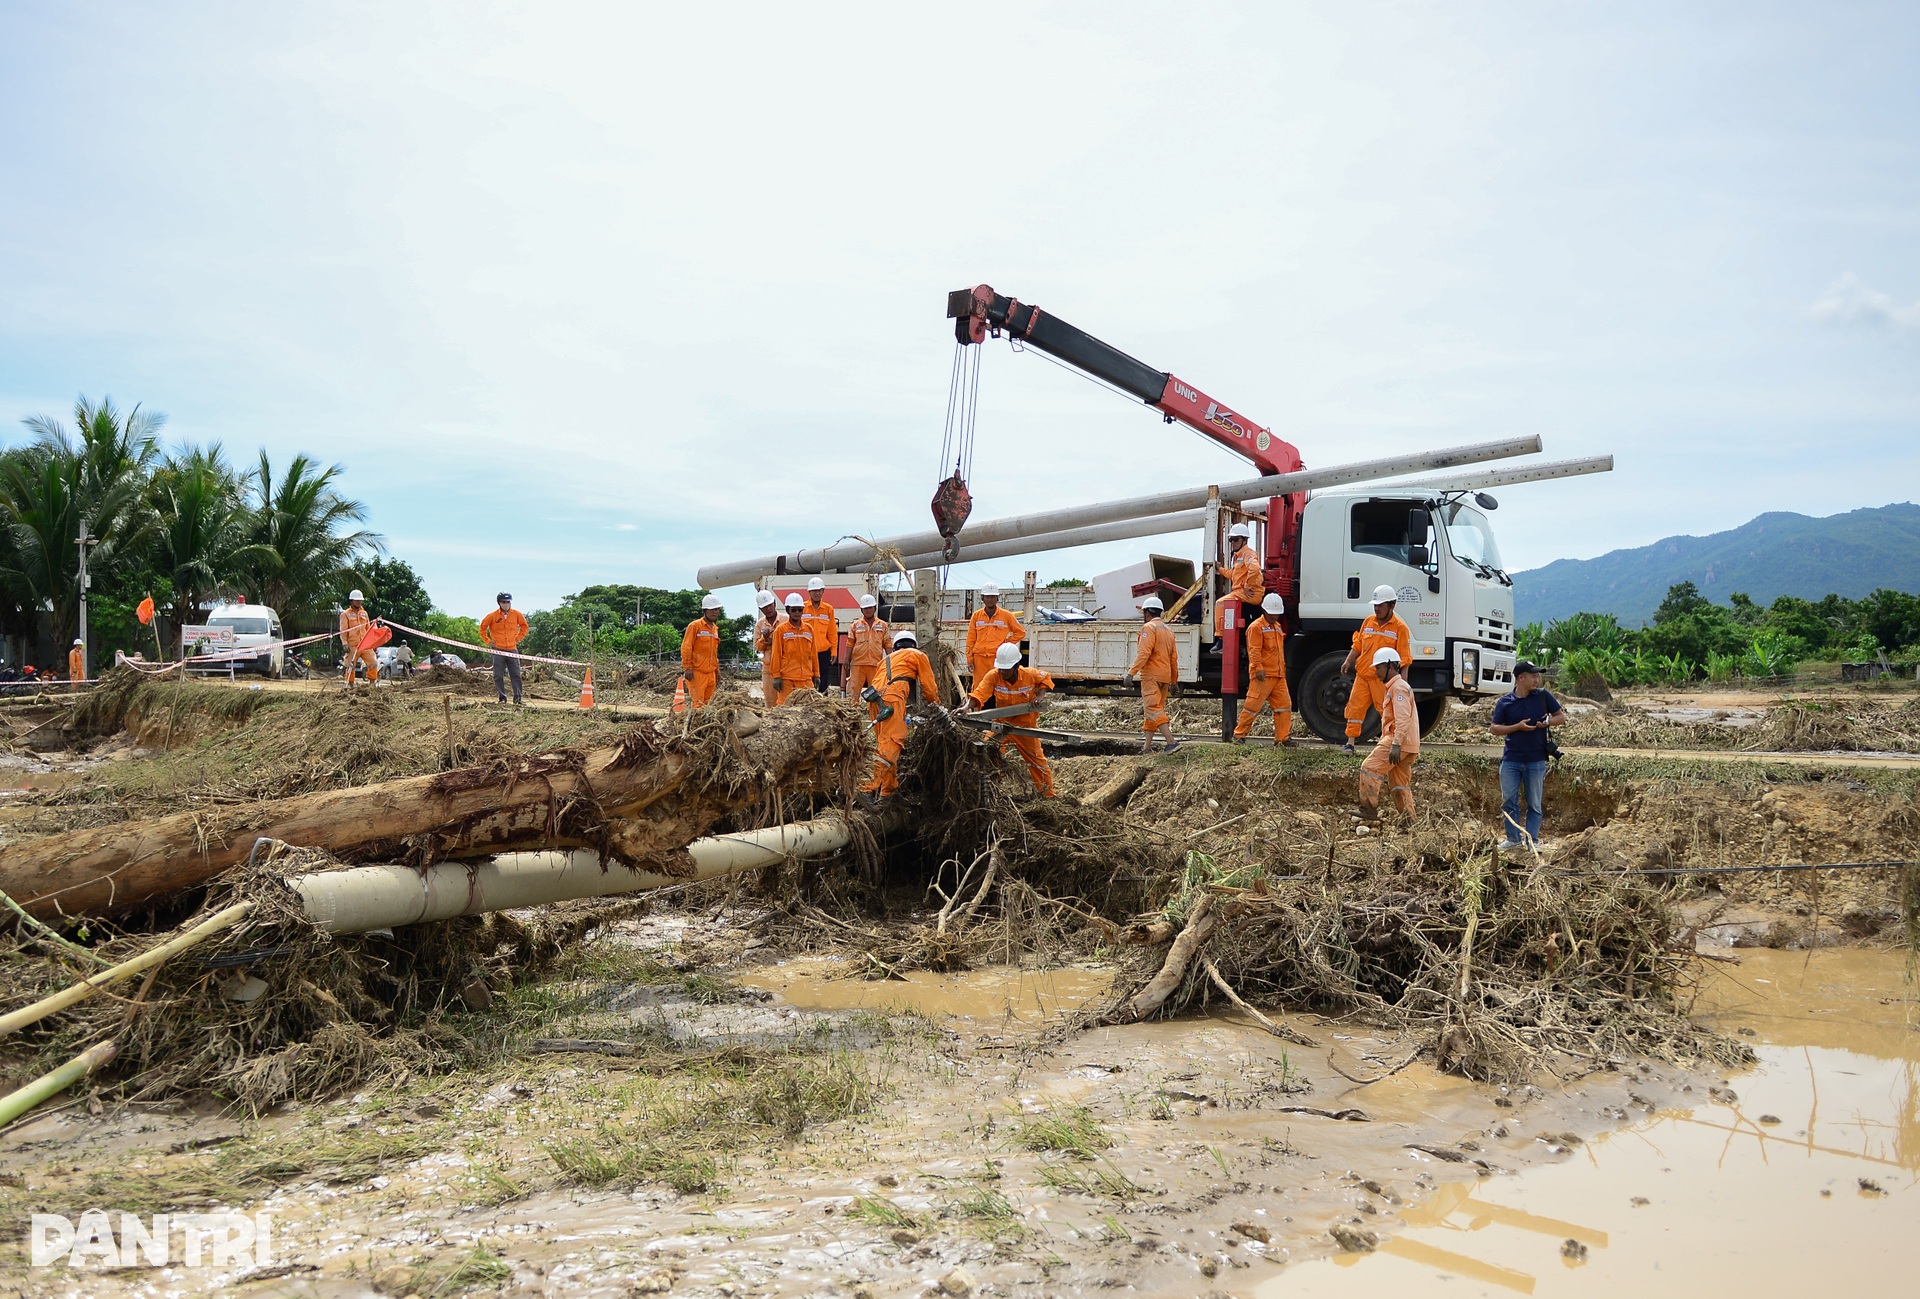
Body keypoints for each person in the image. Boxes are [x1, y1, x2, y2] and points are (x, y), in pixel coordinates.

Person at [1490, 660, 1567, 851]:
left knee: (1534, 803)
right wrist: (1517, 727)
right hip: (1511, 760)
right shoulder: (1505, 702)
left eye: (1538, 675)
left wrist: (1547, 723)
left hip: (1536, 760)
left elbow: (1561, 717)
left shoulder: (1542, 696)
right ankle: (1513, 839)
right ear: (1520, 678)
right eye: (1533, 675)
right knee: (1509, 801)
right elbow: (1494, 729)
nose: (1537, 679)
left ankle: (1532, 841)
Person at [964, 641, 1056, 796]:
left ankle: (1048, 796)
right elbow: (980, 693)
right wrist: (966, 707)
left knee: (1037, 762)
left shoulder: (1028, 675)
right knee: (987, 753)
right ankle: (990, 792)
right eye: (1000, 668)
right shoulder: (994, 676)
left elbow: (1045, 679)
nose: (1002, 672)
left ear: (1016, 665)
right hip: (1001, 724)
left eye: (1006, 669)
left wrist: (1039, 696)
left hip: (1025, 726)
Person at [863, 628, 940, 798]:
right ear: (914, 645)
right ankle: (867, 788)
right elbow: (928, 685)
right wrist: (937, 706)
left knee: (885, 745)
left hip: (875, 702)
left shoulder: (886, 660)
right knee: (892, 741)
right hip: (893, 697)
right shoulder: (917, 655)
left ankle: (888, 791)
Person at [1340, 584, 1412, 754]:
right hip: (1363, 676)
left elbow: (1405, 658)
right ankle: (1350, 743)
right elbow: (1358, 645)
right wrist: (1348, 661)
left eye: (1381, 605)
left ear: (1391, 606)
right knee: (1354, 708)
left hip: (1383, 680)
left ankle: (1389, 743)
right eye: (1375, 605)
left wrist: (1403, 682)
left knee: (1386, 712)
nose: (1377, 608)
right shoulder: (1368, 622)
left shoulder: (1400, 628)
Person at [1357, 648, 1419, 820]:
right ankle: (1410, 822)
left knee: (1369, 767)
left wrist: (1396, 744)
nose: (1376, 672)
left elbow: (1402, 718)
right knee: (1400, 784)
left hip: (1398, 741)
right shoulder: (1398, 687)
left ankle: (1368, 808)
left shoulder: (1398, 688)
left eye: (1378, 668)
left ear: (1390, 666)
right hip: (1408, 744)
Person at [1233, 592, 1292, 744]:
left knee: (1284, 707)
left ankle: (1282, 738)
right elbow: (1254, 650)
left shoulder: (1277, 627)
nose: (1274, 616)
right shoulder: (1256, 627)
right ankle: (1239, 735)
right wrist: (1258, 668)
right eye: (1271, 613)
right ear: (1264, 611)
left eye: (1277, 614)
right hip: (1263, 674)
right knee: (1252, 706)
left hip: (1278, 675)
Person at [1126, 595, 1180, 753]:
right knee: (1153, 712)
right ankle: (1146, 748)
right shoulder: (1169, 631)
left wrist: (1131, 673)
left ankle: (1171, 743)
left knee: (1153, 709)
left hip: (1151, 676)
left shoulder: (1149, 628)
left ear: (1147, 613)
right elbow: (1174, 659)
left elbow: (1144, 654)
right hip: (1164, 676)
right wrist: (1174, 681)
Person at [964, 582, 1025, 683]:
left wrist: (1005, 643)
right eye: (987, 597)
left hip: (998, 659)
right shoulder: (976, 616)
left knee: (998, 686)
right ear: (982, 598)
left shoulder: (1006, 615)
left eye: (993, 597)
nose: (990, 599)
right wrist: (969, 659)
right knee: (979, 688)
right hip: (979, 659)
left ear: (997, 598)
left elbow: (1021, 632)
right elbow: (970, 639)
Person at [1214, 522, 1264, 639]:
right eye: (1231, 539)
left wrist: (1247, 586)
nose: (1233, 542)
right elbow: (1234, 575)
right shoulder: (1238, 556)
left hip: (1248, 593)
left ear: (1244, 540)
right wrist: (1220, 569)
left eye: (1236, 539)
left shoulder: (1248, 553)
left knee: (1220, 603)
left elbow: (1255, 568)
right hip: (1241, 593)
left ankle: (1221, 637)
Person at [479, 592, 530, 705]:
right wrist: (488, 641)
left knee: (516, 674)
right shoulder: (492, 616)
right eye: (504, 602)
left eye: (508, 602)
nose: (506, 604)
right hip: (498, 650)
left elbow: (524, 626)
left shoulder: (517, 614)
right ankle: (502, 698)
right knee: (498, 675)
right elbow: (482, 629)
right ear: (499, 603)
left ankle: (518, 699)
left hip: (512, 649)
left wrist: (518, 638)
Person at [771, 593, 820, 704]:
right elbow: (776, 655)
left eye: (800, 610)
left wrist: (817, 674)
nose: (797, 613)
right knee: (785, 709)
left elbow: (813, 654)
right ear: (788, 611)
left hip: (806, 679)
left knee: (807, 710)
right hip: (787, 680)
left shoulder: (809, 629)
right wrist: (776, 677)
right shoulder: (780, 630)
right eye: (794, 610)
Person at [680, 594, 724, 707]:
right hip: (697, 673)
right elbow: (686, 647)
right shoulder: (694, 626)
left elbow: (714, 652)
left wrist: (717, 670)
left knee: (708, 705)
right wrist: (688, 668)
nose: (714, 612)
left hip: (711, 673)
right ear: (705, 610)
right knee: (697, 705)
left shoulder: (715, 629)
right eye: (711, 609)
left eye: (716, 609)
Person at [845, 594, 889, 703]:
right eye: (865, 608)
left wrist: (890, 661)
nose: (868, 610)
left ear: (874, 608)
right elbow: (850, 643)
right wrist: (846, 659)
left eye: (870, 607)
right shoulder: (855, 626)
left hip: (875, 664)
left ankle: (874, 715)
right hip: (858, 664)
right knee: (853, 691)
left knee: (875, 692)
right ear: (861, 610)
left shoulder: (883, 625)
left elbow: (887, 643)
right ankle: (852, 714)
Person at [802, 578, 840, 693]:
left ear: (823, 591)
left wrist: (834, 651)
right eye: (814, 591)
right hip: (806, 651)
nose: (817, 593)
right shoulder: (802, 608)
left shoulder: (828, 609)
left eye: (819, 590)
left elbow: (832, 632)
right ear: (809, 592)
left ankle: (822, 704)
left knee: (823, 682)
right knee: (806, 679)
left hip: (823, 652)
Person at [340, 590, 378, 688]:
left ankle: (372, 684)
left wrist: (372, 643)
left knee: (373, 662)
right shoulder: (345, 614)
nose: (359, 602)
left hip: (365, 644)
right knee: (350, 666)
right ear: (351, 601)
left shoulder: (364, 613)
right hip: (352, 646)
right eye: (356, 600)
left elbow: (368, 629)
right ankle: (351, 685)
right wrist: (344, 643)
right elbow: (343, 631)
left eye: (360, 600)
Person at [752, 589, 781, 703]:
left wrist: (772, 640)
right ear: (760, 609)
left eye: (769, 605)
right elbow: (757, 647)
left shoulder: (785, 620)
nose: (768, 609)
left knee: (785, 701)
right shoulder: (760, 624)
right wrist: (764, 639)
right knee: (770, 701)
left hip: (784, 666)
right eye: (765, 607)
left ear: (774, 603)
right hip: (769, 667)